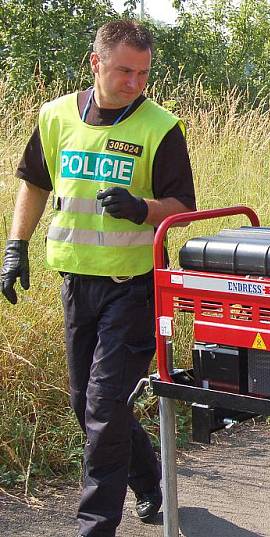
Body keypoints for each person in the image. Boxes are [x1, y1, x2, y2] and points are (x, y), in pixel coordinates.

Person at [1, 20, 196, 536]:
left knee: (104, 410)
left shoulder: (161, 126)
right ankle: (150, 480)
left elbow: (182, 208)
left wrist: (142, 208)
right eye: (124, 71)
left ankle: (95, 526)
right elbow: (35, 184)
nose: (135, 82)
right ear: (96, 63)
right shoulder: (56, 116)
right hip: (76, 282)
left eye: (144, 73)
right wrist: (15, 246)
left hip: (134, 286)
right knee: (84, 405)